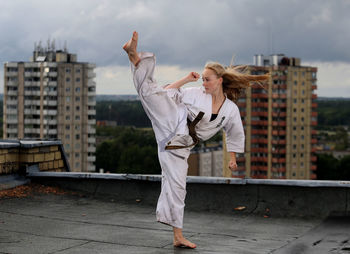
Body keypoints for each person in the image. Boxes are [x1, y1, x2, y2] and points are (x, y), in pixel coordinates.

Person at [123, 31, 269, 249]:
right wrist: (185, 80)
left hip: (179, 147)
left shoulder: (230, 110)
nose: (204, 82)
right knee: (153, 94)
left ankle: (177, 236)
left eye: (207, 79)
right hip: (173, 121)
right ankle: (134, 56)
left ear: (219, 81)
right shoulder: (194, 93)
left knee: (177, 187)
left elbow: (235, 132)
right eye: (202, 78)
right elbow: (168, 92)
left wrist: (233, 158)